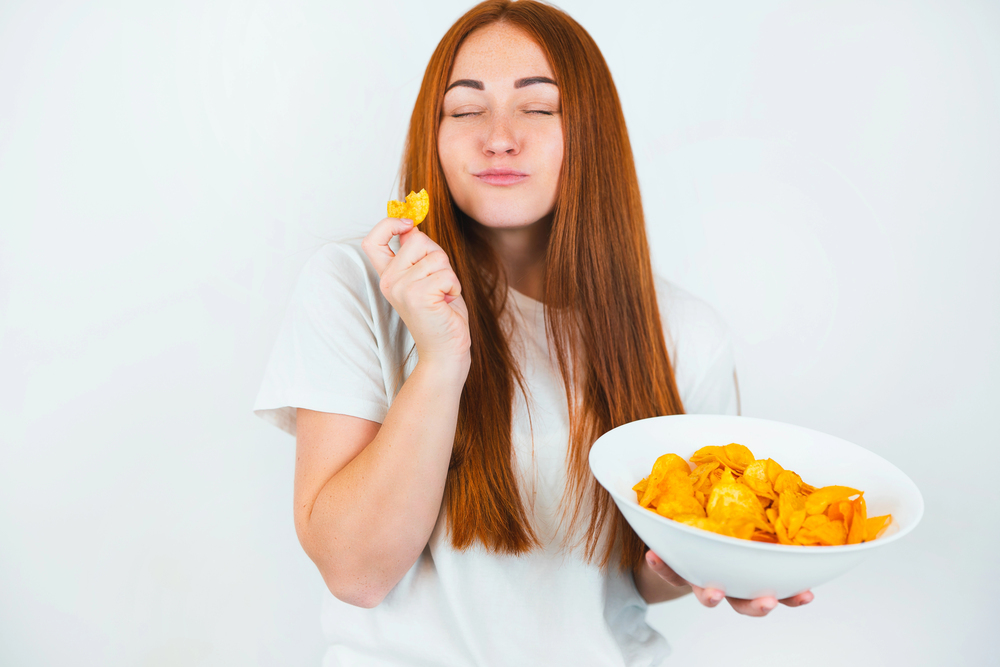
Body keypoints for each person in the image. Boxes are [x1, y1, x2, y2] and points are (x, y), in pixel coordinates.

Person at [254, 1, 812, 664]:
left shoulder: (685, 332)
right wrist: (439, 359)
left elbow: (631, 577)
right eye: (465, 110)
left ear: (592, 133)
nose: (498, 136)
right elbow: (357, 573)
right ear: (432, 135)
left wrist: (698, 564)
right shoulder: (357, 283)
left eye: (538, 107)